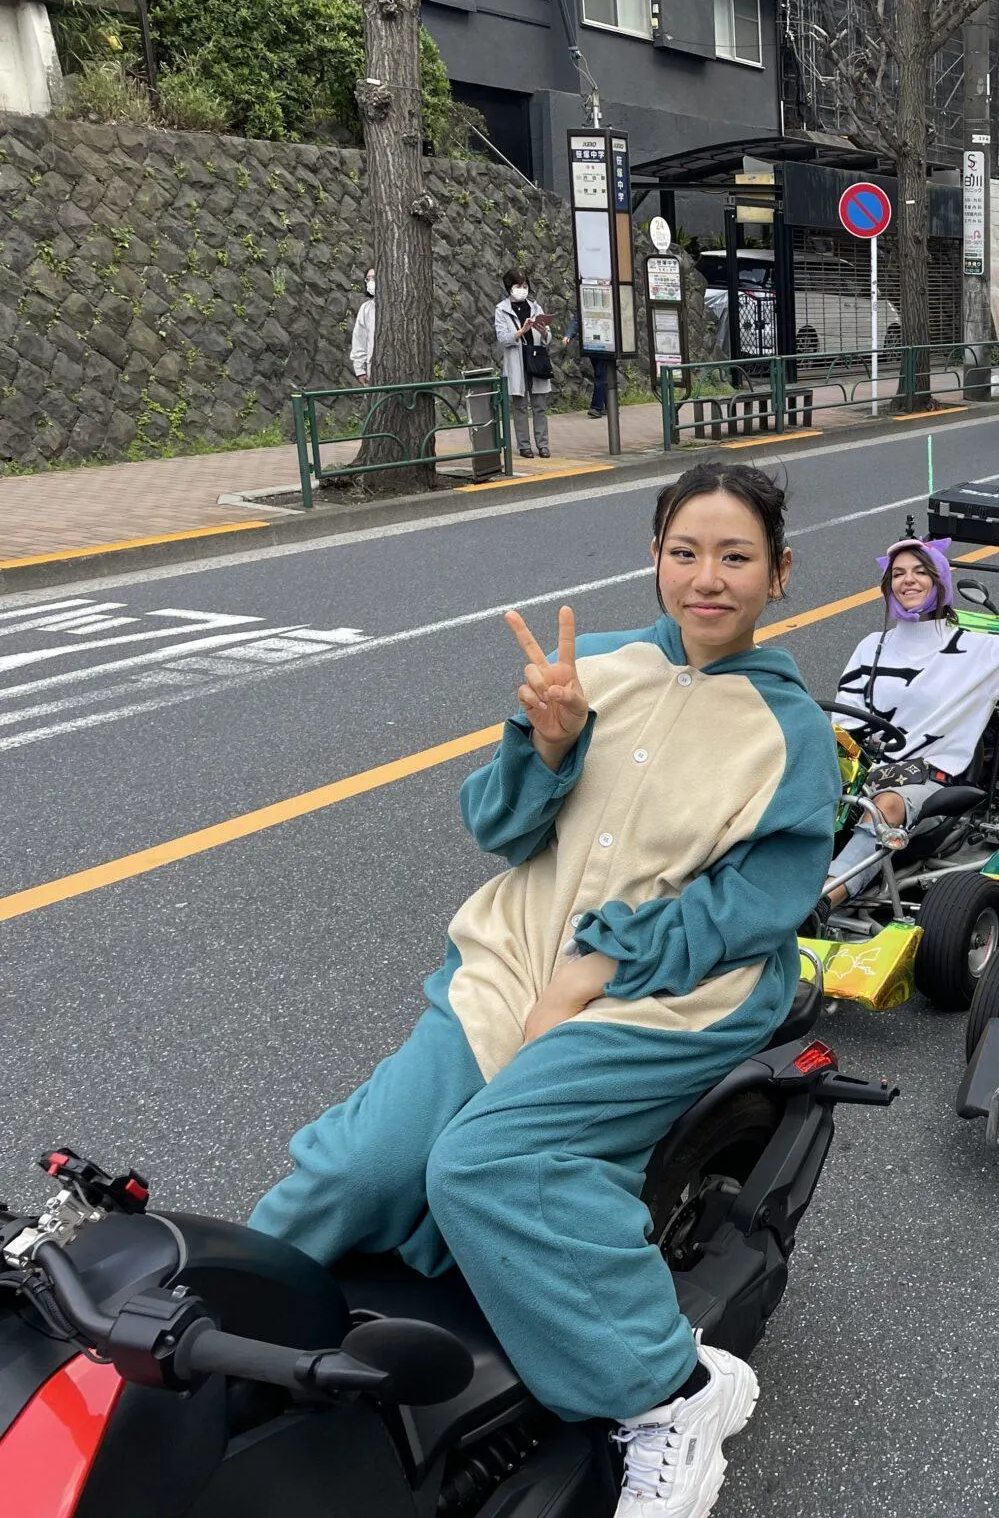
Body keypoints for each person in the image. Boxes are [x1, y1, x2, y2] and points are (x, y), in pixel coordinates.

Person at [250, 463, 840, 1518]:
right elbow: (503, 829)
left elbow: (758, 904)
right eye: (685, 552)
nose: (707, 578)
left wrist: (598, 966)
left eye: (735, 557)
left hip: (674, 992)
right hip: (518, 955)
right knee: (359, 1166)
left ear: (779, 574)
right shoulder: (592, 669)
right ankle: (223, 1336)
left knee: (487, 1163)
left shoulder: (788, 733)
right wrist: (549, 743)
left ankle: (669, 1392)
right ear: (656, 558)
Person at [825, 528, 999, 904]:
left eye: (920, 571)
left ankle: (824, 899)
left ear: (940, 582)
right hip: (865, 773)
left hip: (928, 786)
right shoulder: (871, 646)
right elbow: (844, 724)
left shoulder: (974, 651)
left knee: (886, 805)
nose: (907, 580)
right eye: (898, 573)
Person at [495, 267, 555, 458]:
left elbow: (548, 336)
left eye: (525, 285)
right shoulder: (502, 310)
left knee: (539, 405)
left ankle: (543, 445)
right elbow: (503, 338)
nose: (523, 289)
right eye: (518, 286)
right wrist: (521, 331)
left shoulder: (535, 307)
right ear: (509, 287)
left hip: (536, 359)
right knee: (520, 406)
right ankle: (524, 446)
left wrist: (543, 331)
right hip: (517, 363)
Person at [350, 268, 375, 385]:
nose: (371, 282)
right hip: (373, 369)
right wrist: (360, 370)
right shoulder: (366, 308)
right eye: (368, 279)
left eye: (374, 278)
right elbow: (359, 339)